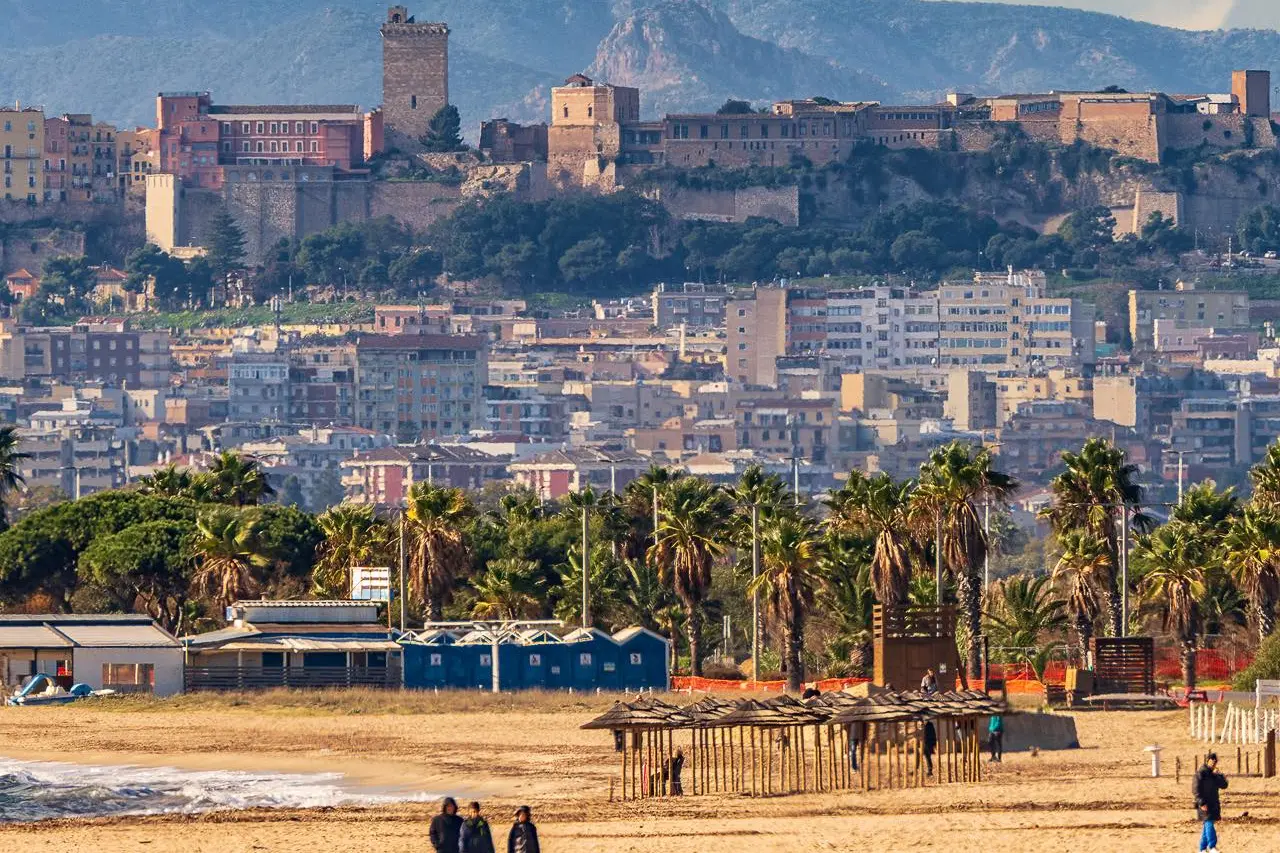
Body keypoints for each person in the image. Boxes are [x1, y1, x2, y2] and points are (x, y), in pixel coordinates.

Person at [1194, 752, 1228, 853]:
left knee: (1207, 825)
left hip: (1213, 804)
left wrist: (1219, 775)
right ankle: (1212, 846)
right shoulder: (1200, 773)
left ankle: (1202, 849)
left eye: (1215, 762)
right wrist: (1201, 802)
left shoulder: (1214, 775)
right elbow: (1196, 789)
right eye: (1212, 761)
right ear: (1207, 761)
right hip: (1204, 804)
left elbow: (1224, 785)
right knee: (1209, 823)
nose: (1213, 763)